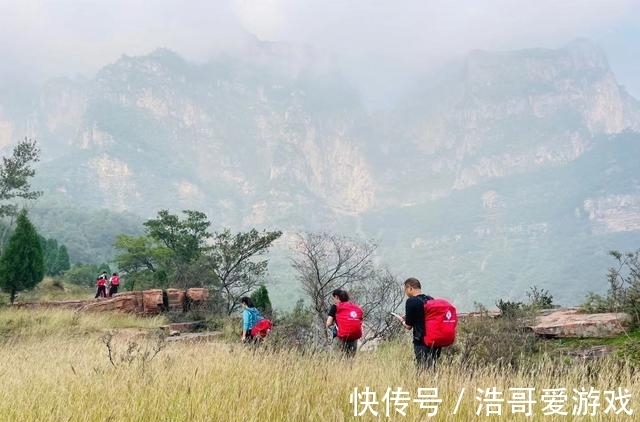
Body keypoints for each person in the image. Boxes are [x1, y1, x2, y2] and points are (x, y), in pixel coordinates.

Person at [400, 277, 442, 372]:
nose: (405, 293)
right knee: (433, 368)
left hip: (421, 341)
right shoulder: (430, 299)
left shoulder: (411, 301)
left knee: (422, 369)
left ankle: (423, 385)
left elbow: (408, 326)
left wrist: (402, 321)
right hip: (435, 341)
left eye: (405, 289)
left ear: (410, 288)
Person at [325, 289, 363, 358]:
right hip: (353, 339)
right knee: (350, 362)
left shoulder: (335, 307)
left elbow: (328, 323)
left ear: (336, 297)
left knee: (338, 361)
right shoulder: (355, 307)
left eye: (333, 298)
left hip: (340, 338)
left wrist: (335, 322)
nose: (333, 300)